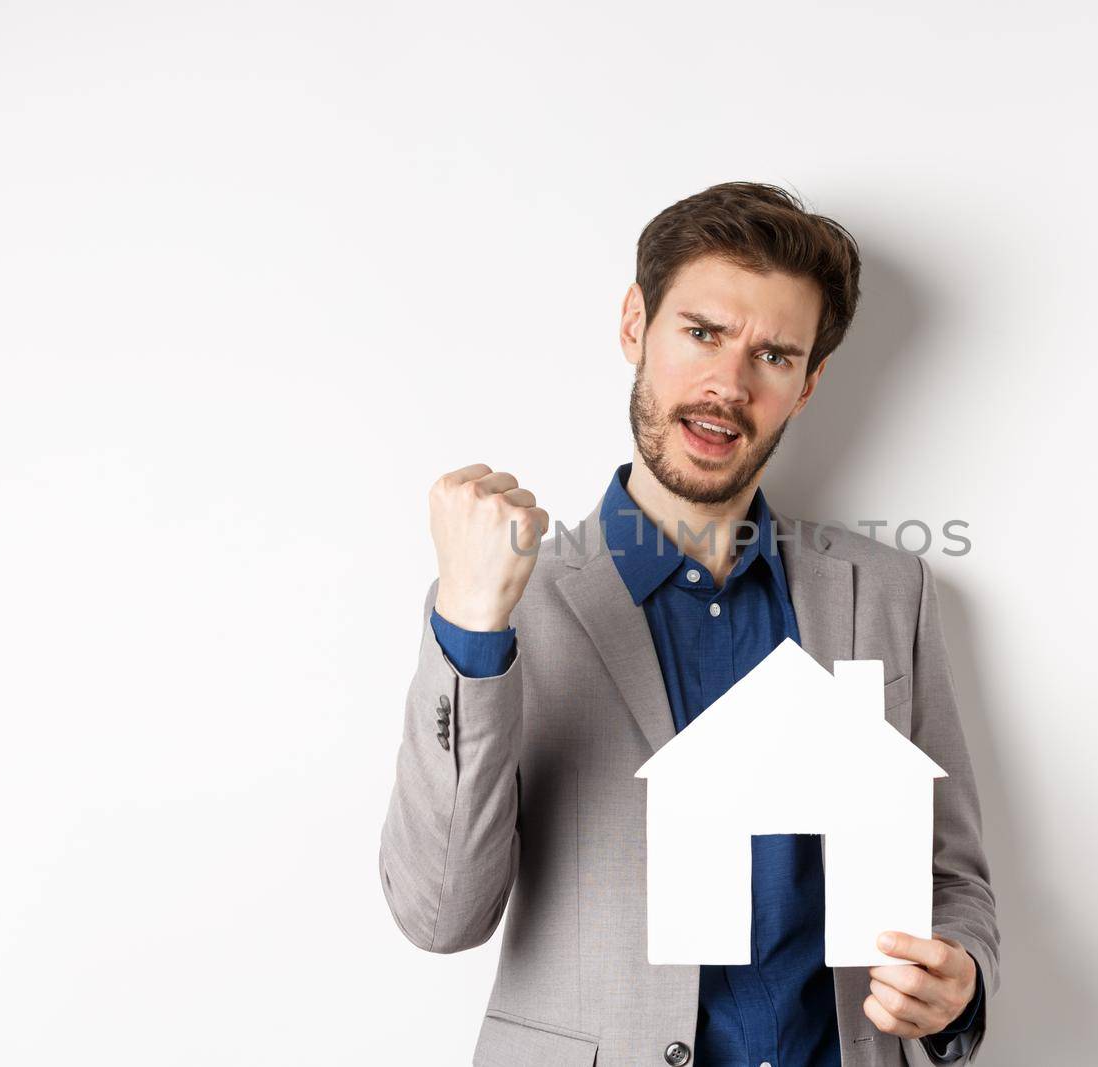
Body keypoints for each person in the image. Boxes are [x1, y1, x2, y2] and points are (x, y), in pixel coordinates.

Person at [379, 181, 999, 1066]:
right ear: (635, 323)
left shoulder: (886, 591)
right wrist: (472, 623)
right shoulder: (511, 601)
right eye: (703, 333)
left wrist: (960, 978)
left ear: (808, 384)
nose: (728, 386)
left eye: (774, 355)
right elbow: (441, 916)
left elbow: (951, 877)